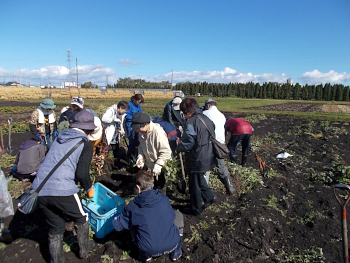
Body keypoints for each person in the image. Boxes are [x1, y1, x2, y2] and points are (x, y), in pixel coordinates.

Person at [31, 111, 96, 263]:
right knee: (81, 218)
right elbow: (82, 174)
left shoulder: (59, 138)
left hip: (40, 189)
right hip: (62, 189)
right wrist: (89, 190)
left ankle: (56, 260)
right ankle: (84, 249)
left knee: (55, 227)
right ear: (89, 129)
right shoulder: (85, 144)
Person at [112, 170, 183, 262]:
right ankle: (176, 253)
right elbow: (171, 216)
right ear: (152, 185)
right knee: (178, 215)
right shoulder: (164, 199)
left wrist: (116, 215)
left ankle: (145, 257)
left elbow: (118, 227)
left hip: (148, 249)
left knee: (131, 226)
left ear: (138, 188)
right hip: (172, 244)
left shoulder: (132, 206)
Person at [176, 98, 216, 216]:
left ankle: (196, 209)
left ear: (188, 111)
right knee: (199, 177)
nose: (184, 115)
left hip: (196, 158)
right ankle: (210, 196)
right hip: (208, 154)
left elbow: (189, 143)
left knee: (194, 185)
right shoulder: (206, 119)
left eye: (184, 113)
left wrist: (179, 146)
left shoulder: (191, 122)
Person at [132, 113, 172, 195]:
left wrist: (159, 165)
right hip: (150, 164)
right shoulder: (141, 132)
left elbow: (166, 152)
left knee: (160, 185)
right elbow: (140, 146)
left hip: (160, 165)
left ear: (146, 124)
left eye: (138, 127)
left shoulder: (158, 133)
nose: (137, 130)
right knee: (151, 185)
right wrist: (140, 157)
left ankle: (160, 201)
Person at [203, 99, 236, 195]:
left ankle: (206, 189)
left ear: (208, 105)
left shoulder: (205, 113)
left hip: (209, 142)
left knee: (205, 165)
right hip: (220, 143)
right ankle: (230, 186)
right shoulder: (222, 115)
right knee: (221, 164)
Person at [125, 94, 144, 160]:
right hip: (130, 125)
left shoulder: (138, 106)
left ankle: (136, 155)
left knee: (138, 140)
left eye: (140, 102)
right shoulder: (129, 105)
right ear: (135, 100)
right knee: (132, 140)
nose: (139, 103)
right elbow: (126, 115)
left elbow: (140, 114)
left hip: (137, 125)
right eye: (139, 101)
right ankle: (129, 157)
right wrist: (134, 118)